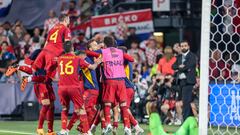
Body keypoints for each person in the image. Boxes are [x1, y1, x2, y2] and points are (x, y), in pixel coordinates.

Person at [6, 14, 71, 91]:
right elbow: (67, 44)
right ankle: (29, 78)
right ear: (65, 20)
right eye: (69, 20)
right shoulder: (66, 29)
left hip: (44, 51)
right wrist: (68, 55)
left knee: (32, 70)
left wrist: (43, 54)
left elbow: (46, 43)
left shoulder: (52, 29)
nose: (69, 21)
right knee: (47, 78)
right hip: (53, 54)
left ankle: (17, 67)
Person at [92, 36, 134, 135]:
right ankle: (127, 128)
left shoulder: (105, 53)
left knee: (107, 105)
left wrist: (99, 48)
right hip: (122, 83)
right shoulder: (120, 55)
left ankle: (108, 125)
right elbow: (131, 59)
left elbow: (91, 54)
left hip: (110, 82)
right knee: (121, 106)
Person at [57, 41, 101, 135]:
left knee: (65, 108)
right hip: (75, 87)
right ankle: (85, 131)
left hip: (62, 87)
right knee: (81, 109)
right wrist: (98, 62)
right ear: (72, 49)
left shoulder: (59, 59)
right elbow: (92, 67)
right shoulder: (78, 59)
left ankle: (64, 130)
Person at [172, 40, 197, 121]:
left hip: (188, 82)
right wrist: (181, 67)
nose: (183, 47)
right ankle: (188, 119)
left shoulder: (192, 56)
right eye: (182, 46)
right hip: (180, 82)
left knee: (186, 101)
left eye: (185, 46)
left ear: (188, 46)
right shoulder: (179, 57)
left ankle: (186, 120)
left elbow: (189, 65)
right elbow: (173, 66)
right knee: (183, 101)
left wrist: (181, 67)